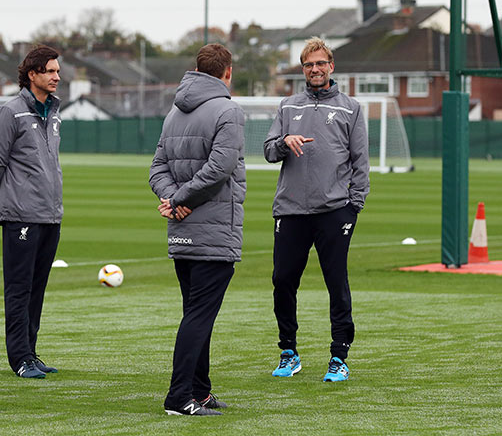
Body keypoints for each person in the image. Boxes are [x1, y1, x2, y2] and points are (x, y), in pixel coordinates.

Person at [263, 37, 369, 382]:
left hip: (334, 212)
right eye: (309, 65)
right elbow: (267, 151)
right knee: (282, 281)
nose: (315, 69)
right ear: (303, 69)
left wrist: (353, 206)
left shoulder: (351, 108)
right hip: (291, 210)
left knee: (335, 282)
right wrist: (283, 142)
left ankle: (339, 355)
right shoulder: (287, 106)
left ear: (331, 66)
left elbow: (360, 162)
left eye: (321, 63)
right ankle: (288, 352)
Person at [149, 43, 246, 416]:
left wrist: (174, 198)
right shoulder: (228, 110)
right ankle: (179, 397)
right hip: (215, 230)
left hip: (182, 230)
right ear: (227, 72)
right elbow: (221, 168)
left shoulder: (174, 112)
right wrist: (181, 199)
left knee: (195, 312)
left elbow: (157, 168)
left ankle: (200, 390)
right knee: (199, 316)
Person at [0, 45, 63, 379]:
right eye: (50, 71)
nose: (57, 77)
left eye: (58, 71)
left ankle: (31, 351)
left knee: (38, 286)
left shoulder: (55, 112)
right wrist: (5, 201)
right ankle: (19, 358)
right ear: (32, 74)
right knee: (18, 288)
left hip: (50, 214)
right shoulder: (10, 112)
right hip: (21, 215)